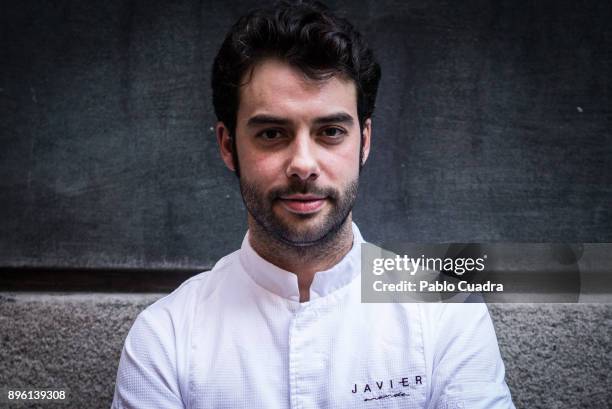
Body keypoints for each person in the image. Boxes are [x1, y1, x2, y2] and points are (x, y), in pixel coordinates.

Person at [112, 1, 515, 407]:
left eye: (331, 132)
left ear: (366, 140)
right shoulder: (165, 339)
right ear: (228, 145)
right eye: (272, 133)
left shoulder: (445, 314)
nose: (303, 165)